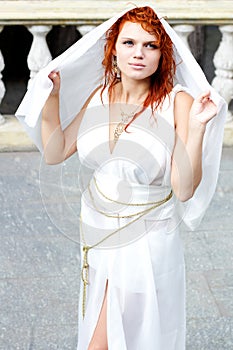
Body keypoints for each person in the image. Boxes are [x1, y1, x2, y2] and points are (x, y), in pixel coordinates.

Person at [16, 5, 226, 350]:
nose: (138, 53)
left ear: (164, 53)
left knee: (119, 339)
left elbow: (184, 189)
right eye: (129, 42)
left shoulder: (179, 102)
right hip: (99, 232)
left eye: (150, 45)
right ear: (113, 47)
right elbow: (55, 152)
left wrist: (199, 127)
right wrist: (52, 98)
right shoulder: (100, 94)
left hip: (147, 237)